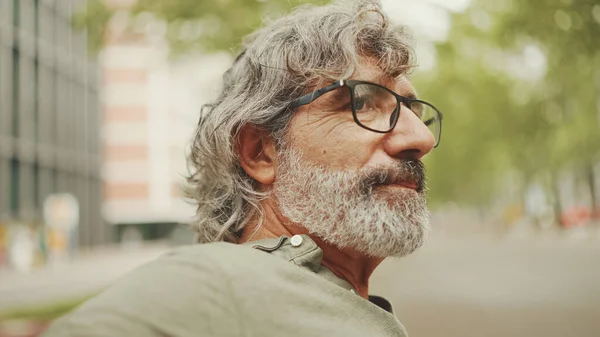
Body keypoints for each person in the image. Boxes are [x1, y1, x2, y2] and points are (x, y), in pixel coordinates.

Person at [43, 0, 443, 336]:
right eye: (362, 102)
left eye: (411, 109)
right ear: (260, 153)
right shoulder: (219, 279)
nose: (420, 140)